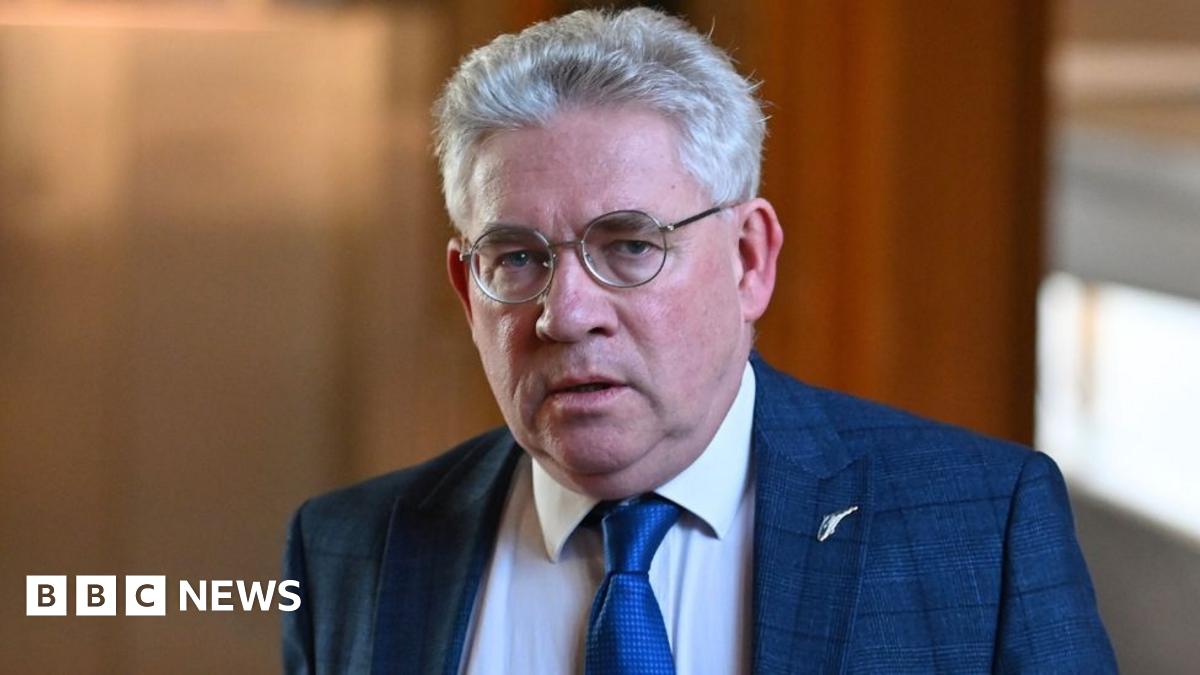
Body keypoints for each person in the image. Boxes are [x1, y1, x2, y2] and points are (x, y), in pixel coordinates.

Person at [282, 8, 1116, 674]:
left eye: (630, 246)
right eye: (518, 257)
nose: (566, 313)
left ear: (749, 260)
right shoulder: (350, 547)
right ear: (469, 292)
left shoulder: (978, 526)